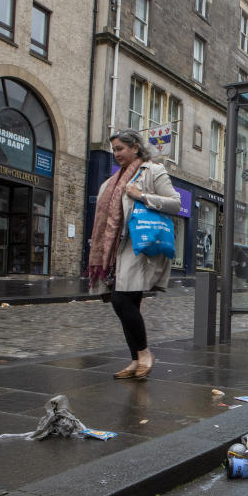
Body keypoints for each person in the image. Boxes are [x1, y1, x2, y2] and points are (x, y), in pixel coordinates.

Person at [87, 129, 181, 380]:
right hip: (116, 250)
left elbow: (176, 203)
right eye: (114, 150)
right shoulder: (111, 182)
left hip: (139, 246)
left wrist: (142, 196)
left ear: (135, 148)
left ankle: (144, 353)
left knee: (120, 300)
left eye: (120, 148)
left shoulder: (153, 171)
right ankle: (136, 359)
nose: (116, 154)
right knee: (128, 304)